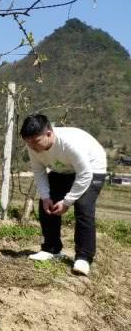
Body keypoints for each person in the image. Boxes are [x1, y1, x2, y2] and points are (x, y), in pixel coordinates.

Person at [21, 114, 107, 276]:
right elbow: (39, 173)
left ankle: (84, 257)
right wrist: (46, 197)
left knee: (83, 207)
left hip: (92, 168)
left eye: (35, 141)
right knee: (47, 202)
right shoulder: (33, 146)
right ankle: (51, 248)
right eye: (28, 142)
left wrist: (67, 202)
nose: (31, 146)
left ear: (49, 134)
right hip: (64, 169)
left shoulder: (69, 143)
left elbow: (85, 175)